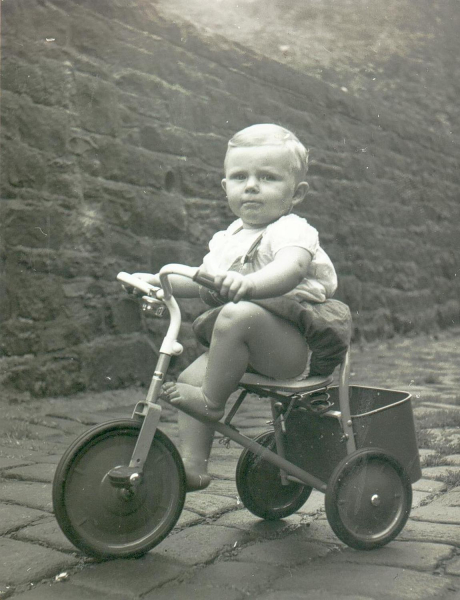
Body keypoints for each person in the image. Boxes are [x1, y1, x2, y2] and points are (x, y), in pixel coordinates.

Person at [134, 123, 339, 491]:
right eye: (240, 176)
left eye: (268, 177)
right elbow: (200, 278)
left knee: (236, 314)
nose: (252, 185)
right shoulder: (227, 239)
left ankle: (212, 402)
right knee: (188, 378)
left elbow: (289, 270)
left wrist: (249, 284)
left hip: (291, 349)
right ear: (225, 187)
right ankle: (194, 464)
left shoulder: (292, 230)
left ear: (297, 192)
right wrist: (157, 279)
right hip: (246, 347)